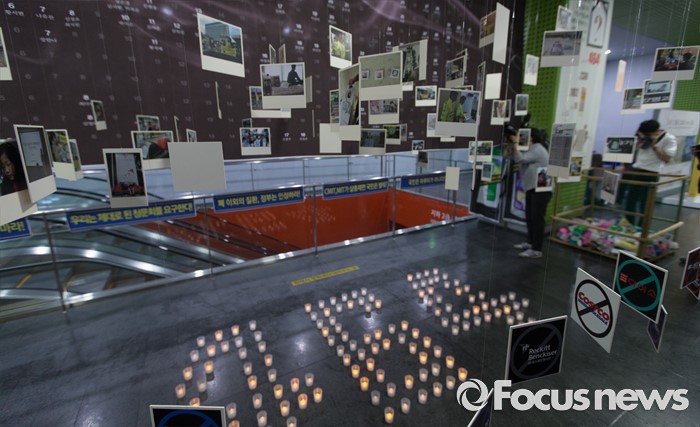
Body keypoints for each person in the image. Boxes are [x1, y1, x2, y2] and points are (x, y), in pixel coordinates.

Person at [505, 128, 552, 258]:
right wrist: (511, 146)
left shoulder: (537, 149)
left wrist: (515, 144)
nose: (520, 137)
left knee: (537, 219)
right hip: (533, 188)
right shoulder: (529, 149)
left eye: (523, 135)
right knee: (530, 217)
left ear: (531, 138)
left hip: (542, 189)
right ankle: (530, 243)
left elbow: (520, 159)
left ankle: (536, 250)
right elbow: (510, 157)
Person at [622, 119, 677, 226]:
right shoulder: (643, 137)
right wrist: (638, 141)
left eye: (647, 134)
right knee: (630, 201)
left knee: (646, 203)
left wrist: (654, 145)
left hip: (652, 173)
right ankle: (629, 226)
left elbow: (666, 159)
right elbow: (633, 150)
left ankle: (642, 228)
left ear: (656, 131)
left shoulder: (669, 138)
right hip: (637, 171)